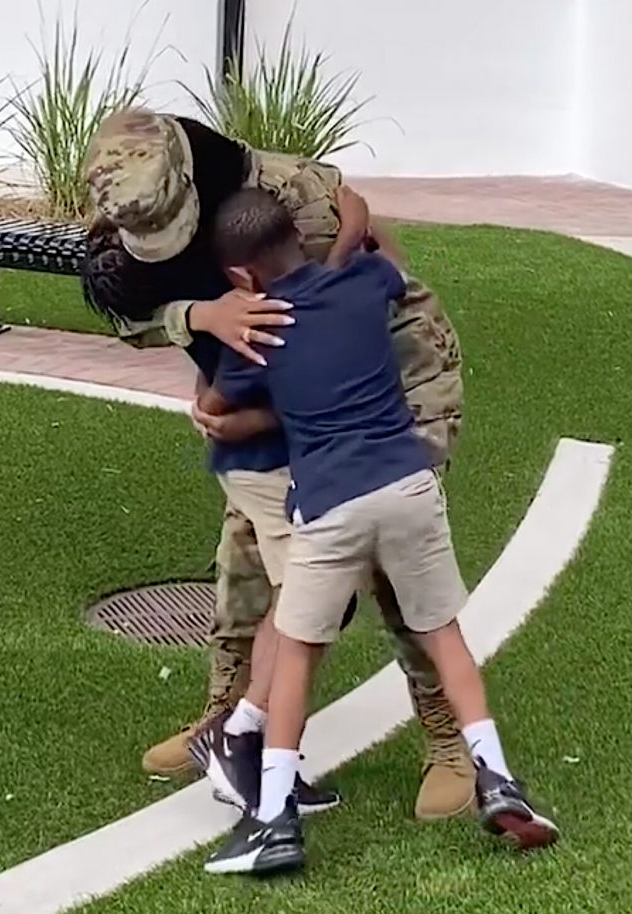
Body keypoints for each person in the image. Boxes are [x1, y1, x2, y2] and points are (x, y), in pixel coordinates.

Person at [82, 108, 473, 820]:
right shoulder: (124, 198)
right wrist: (202, 319)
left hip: (391, 386)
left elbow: (361, 297)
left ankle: (448, 740)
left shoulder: (291, 200)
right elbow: (125, 312)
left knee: (392, 562)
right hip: (279, 389)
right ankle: (228, 724)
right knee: (246, 555)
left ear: (191, 181)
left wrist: (247, 410)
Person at [199, 188, 559, 875]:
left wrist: (247, 401)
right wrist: (349, 228)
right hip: (408, 486)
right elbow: (377, 241)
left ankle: (272, 819)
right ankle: (498, 779)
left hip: (329, 504)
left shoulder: (256, 331)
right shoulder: (364, 282)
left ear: (243, 276)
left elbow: (218, 415)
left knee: (297, 652)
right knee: (444, 635)